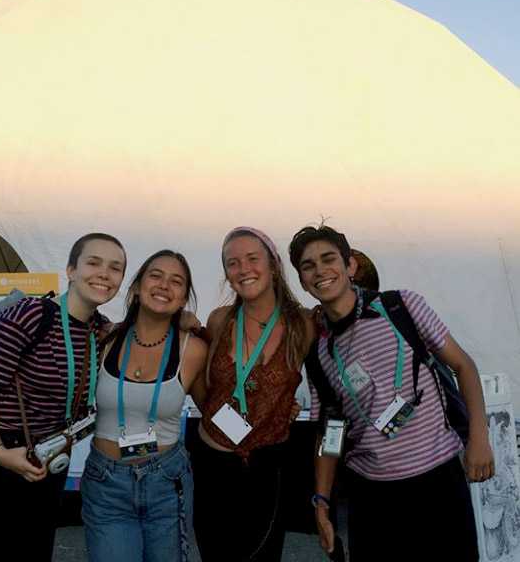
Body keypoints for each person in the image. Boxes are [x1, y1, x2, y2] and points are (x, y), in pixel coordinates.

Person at [288, 223, 494, 562]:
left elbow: (464, 366)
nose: (320, 271)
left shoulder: (401, 307)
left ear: (350, 265)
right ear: (302, 281)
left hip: (438, 482)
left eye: (328, 259)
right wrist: (322, 502)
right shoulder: (319, 349)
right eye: (308, 266)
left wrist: (479, 438)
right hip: (372, 497)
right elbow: (332, 430)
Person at [0, 232, 126, 562]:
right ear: (70, 270)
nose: (104, 273)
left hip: (45, 461)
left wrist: (182, 320)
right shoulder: (31, 314)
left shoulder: (100, 330)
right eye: (93, 262)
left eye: (115, 268)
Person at [193, 227, 316, 561]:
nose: (243, 269)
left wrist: (283, 409)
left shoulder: (303, 325)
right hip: (212, 465)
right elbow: (201, 386)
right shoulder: (219, 321)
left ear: (273, 265)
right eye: (232, 263)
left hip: (267, 468)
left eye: (252, 258)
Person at [82, 249, 208, 562]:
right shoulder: (103, 339)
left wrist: (263, 419)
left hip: (167, 482)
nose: (165, 285)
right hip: (106, 483)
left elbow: (215, 412)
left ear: (183, 299)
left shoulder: (193, 350)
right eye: (156, 275)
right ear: (137, 286)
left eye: (176, 281)